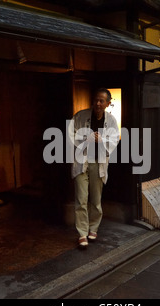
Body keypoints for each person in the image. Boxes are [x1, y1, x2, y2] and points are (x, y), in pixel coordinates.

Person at [68, 88, 120, 249]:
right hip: (81, 161)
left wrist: (100, 140)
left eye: (101, 101)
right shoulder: (81, 115)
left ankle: (94, 228)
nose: (98, 103)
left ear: (108, 103)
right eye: (96, 100)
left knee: (96, 200)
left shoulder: (110, 120)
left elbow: (114, 140)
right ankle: (82, 233)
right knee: (81, 199)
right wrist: (86, 138)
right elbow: (70, 135)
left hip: (98, 163)